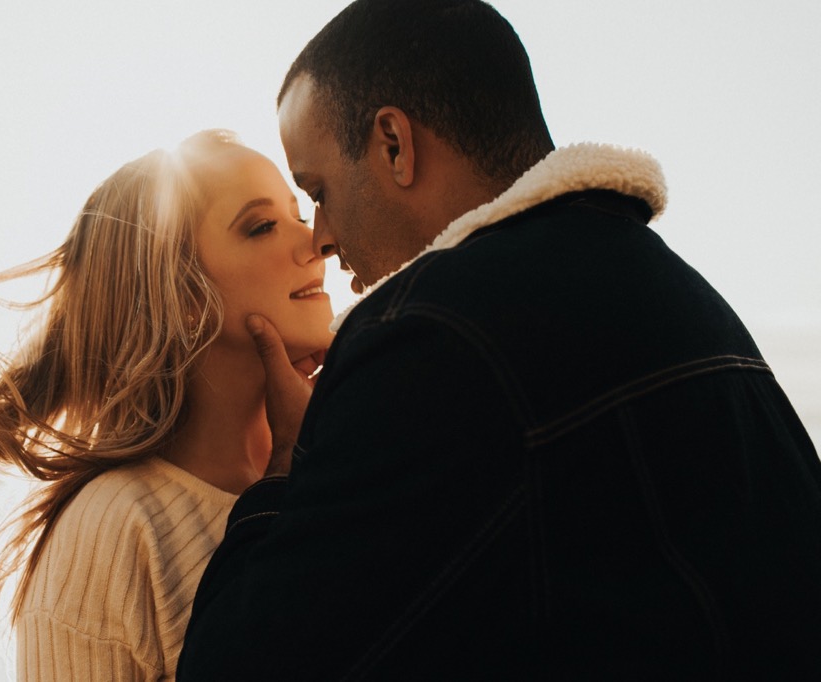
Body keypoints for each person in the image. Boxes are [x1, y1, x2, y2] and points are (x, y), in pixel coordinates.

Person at [177, 1, 821, 679]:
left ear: (394, 145)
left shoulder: (431, 334)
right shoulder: (682, 294)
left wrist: (285, 468)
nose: (322, 237)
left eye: (319, 192)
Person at [0, 130, 333, 680]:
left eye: (299, 215)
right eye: (262, 226)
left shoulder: (334, 471)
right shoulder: (112, 532)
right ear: (184, 294)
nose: (318, 240)